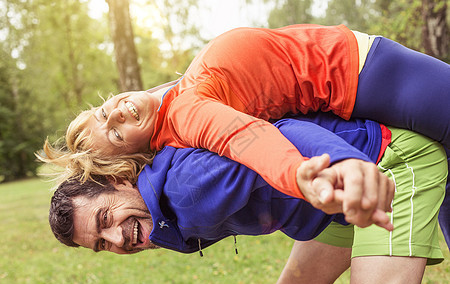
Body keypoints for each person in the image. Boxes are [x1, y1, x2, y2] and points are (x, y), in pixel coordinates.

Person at [40, 24, 450, 231]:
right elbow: (244, 138)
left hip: (363, 70)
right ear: (133, 155)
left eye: (100, 112)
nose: (113, 114)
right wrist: (297, 174)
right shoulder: (186, 114)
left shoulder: (166, 104)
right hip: (367, 73)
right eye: (113, 134)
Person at [49, 114, 447, 284]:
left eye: (106, 218)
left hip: (385, 163)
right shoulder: (163, 213)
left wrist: (349, 166)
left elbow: (281, 134)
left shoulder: (188, 189)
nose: (117, 237)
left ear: (119, 181)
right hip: (331, 206)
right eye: (101, 243)